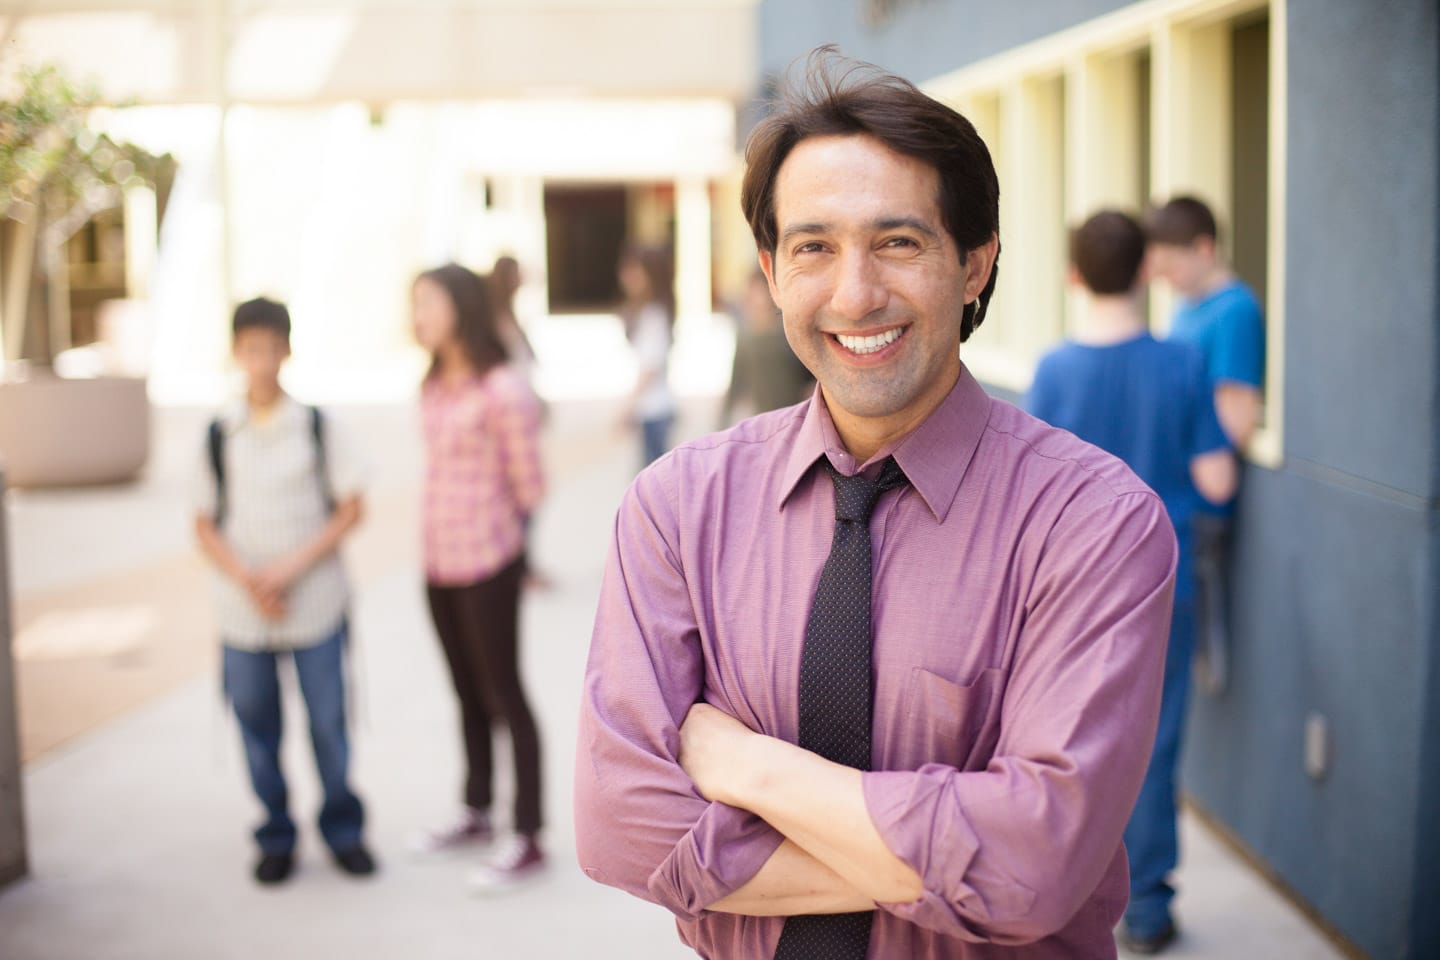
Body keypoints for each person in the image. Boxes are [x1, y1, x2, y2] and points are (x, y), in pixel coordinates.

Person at [575, 49, 1176, 959]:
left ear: (975, 266)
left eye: (899, 242)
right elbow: (617, 827)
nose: (855, 294)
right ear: (773, 272)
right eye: (814, 247)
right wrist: (958, 863)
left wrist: (755, 770)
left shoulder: (1092, 523)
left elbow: (1040, 866)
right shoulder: (677, 507)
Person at [1027, 210, 1238, 954]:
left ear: (1073, 276)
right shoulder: (1181, 363)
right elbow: (1218, 475)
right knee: (1153, 742)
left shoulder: (1052, 371)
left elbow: (1026, 491)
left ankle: (1069, 889)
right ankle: (1146, 907)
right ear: (1146, 269)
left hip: (1068, 596)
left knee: (1066, 741)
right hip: (1163, 587)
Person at [193, 297, 375, 886]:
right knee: (256, 725)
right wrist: (252, 579)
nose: (262, 361)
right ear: (236, 353)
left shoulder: (319, 427)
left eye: (271, 348)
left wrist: (289, 570)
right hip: (243, 613)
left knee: (328, 723)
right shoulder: (219, 433)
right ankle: (275, 833)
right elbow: (203, 523)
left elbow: (351, 508)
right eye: (251, 349)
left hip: (315, 603)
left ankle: (343, 830)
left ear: (287, 351)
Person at [409, 263, 548, 893]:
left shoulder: (503, 390)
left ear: (460, 308)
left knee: (504, 694)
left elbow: (531, 485)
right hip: (437, 563)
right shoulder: (433, 384)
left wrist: (511, 552)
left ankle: (527, 834)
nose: (416, 316)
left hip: (489, 563)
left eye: (427, 303)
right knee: (465, 691)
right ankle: (476, 809)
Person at [1145, 196, 1265, 695]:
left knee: (1180, 651)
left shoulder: (1235, 311)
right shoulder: (1186, 308)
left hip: (1198, 504)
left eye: (1173, 264)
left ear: (1205, 248)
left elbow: (1237, 418)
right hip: (1173, 494)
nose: (1165, 277)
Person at [718, 268, 815, 429]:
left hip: (797, 417)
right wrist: (723, 422)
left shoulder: (789, 334)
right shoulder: (746, 337)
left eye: (758, 291)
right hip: (764, 419)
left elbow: (809, 376)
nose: (753, 297)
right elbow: (737, 383)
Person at [616, 243, 677, 467]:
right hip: (650, 411)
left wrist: (627, 408)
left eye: (634, 271)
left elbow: (650, 368)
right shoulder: (642, 312)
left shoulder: (654, 316)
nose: (627, 277)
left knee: (652, 491)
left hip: (655, 411)